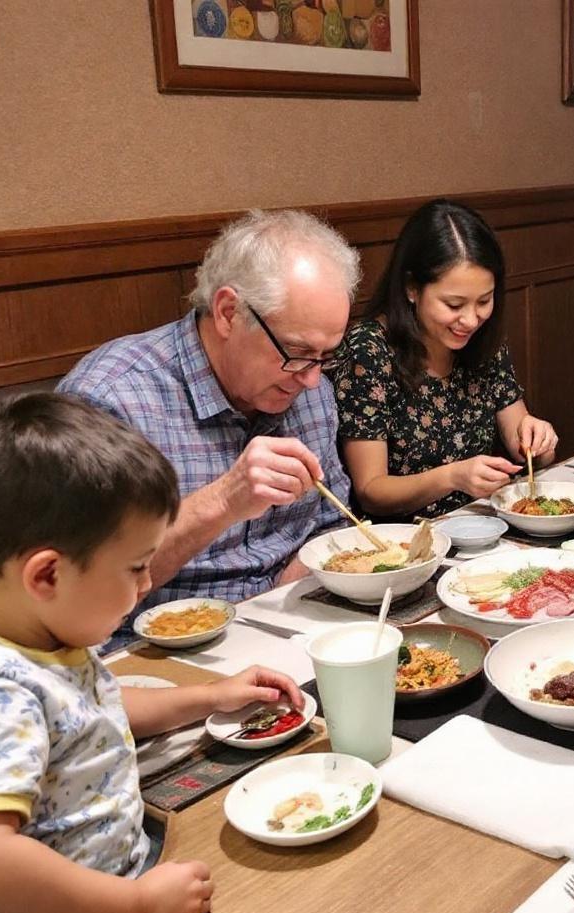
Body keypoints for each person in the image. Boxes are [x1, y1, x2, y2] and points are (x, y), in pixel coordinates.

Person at [0, 394, 305, 913]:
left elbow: (87, 710)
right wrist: (135, 909)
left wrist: (211, 695)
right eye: (136, 567)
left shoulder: (31, 634)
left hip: (110, 893)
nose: (144, 586)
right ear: (47, 575)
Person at [59, 209, 360, 622]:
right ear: (228, 313)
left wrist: (297, 584)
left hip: (289, 624)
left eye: (326, 356)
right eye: (295, 351)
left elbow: (334, 522)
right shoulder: (113, 400)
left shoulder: (310, 390)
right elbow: (77, 591)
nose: (311, 379)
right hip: (152, 655)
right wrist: (224, 500)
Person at [335, 199, 558, 518]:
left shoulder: (484, 339)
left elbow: (521, 446)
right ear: (412, 288)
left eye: (484, 300)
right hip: (406, 545)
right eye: (454, 305)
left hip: (484, 525)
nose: (470, 319)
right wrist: (452, 477)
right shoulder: (370, 350)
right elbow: (371, 491)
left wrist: (539, 442)